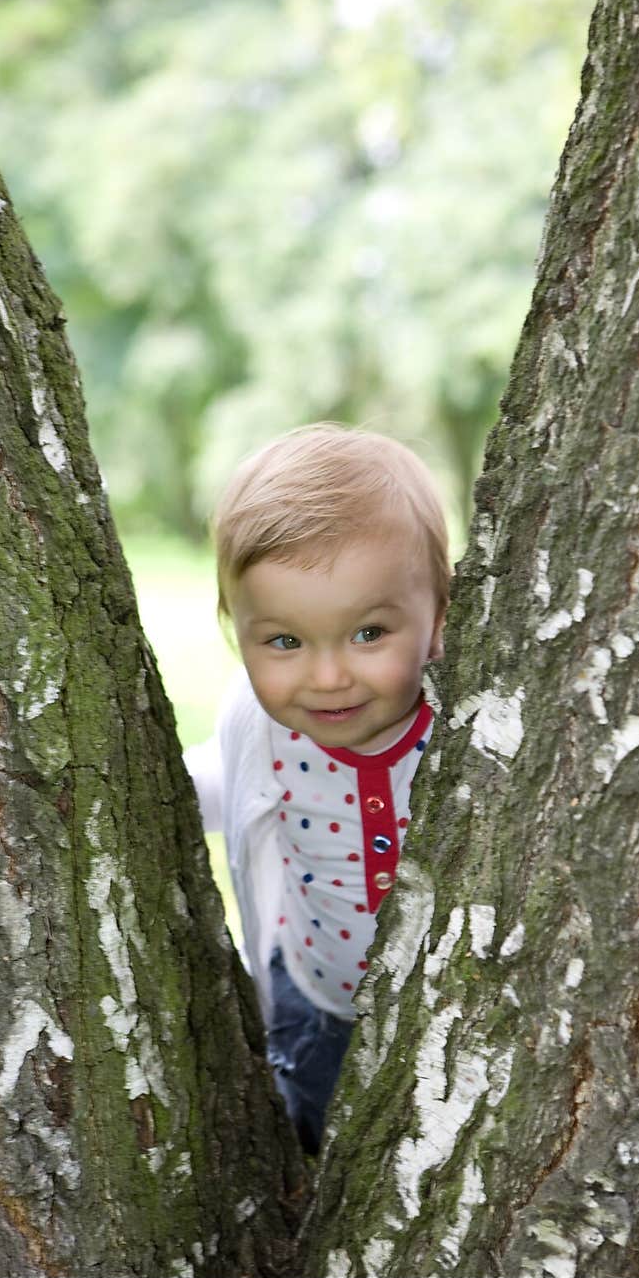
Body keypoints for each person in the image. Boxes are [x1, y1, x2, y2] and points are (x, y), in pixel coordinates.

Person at [184, 422, 451, 1154]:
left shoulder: (463, 728)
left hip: (453, 1016)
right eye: (284, 642)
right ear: (235, 631)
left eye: (368, 633)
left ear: (438, 620)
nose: (328, 677)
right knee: (327, 1150)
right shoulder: (262, 729)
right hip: (317, 1000)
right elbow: (216, 783)